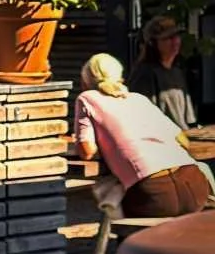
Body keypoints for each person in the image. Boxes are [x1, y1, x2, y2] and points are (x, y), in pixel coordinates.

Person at [75, 54, 210, 218]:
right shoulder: (139, 99)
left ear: (85, 81)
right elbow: (183, 140)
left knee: (109, 190)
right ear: (120, 77)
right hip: (196, 188)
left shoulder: (87, 98)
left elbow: (87, 152)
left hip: (155, 196)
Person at [129, 15, 198, 132]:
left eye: (176, 36)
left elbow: (188, 120)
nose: (175, 41)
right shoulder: (144, 74)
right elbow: (143, 118)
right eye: (168, 38)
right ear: (153, 43)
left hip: (182, 137)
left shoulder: (177, 72)